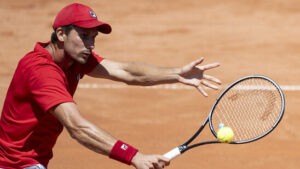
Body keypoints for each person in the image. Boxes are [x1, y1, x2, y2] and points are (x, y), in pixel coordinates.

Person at [0, 3, 221, 169]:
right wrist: (134, 156)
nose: (91, 44)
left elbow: (125, 71)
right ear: (61, 34)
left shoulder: (75, 59)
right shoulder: (41, 71)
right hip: (15, 165)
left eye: (94, 37)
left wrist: (176, 73)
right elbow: (78, 128)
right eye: (84, 36)